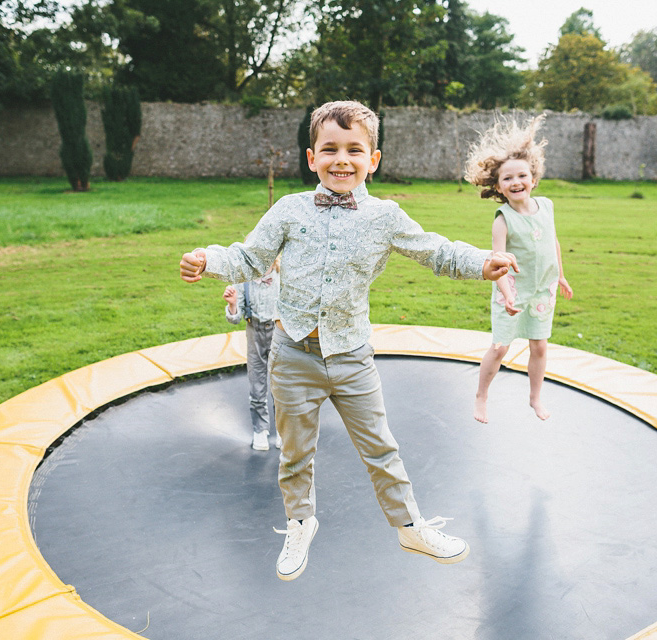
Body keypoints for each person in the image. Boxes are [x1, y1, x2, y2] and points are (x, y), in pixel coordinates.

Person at [180, 100, 518, 582]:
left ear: (373, 159)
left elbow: (435, 250)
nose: (342, 159)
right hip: (293, 352)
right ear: (311, 157)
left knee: (381, 448)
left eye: (354, 150)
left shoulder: (385, 216)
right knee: (296, 452)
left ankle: (409, 525)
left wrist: (481, 262)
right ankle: (300, 522)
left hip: (353, 356)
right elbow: (249, 258)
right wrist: (206, 259)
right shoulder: (288, 210)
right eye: (330, 149)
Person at [464, 114, 573, 424]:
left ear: (533, 179)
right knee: (499, 348)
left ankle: (535, 397)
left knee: (539, 346)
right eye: (508, 179)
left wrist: (561, 275)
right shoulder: (503, 219)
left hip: (542, 290)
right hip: (511, 293)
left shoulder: (547, 206)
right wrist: (507, 295)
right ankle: (481, 396)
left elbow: (554, 243)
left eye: (521, 176)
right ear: (498, 186)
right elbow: (498, 263)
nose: (516, 182)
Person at [223, 257, 281, 451]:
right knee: (257, 383)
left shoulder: (283, 278)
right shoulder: (243, 282)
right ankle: (260, 429)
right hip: (254, 331)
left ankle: (284, 429)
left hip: (278, 331)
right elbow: (235, 318)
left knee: (281, 384)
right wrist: (232, 305)